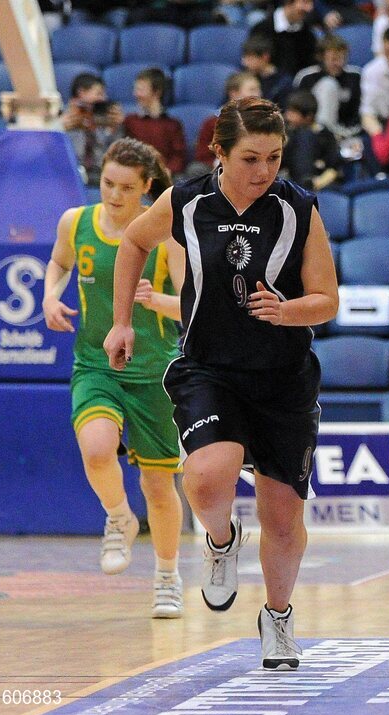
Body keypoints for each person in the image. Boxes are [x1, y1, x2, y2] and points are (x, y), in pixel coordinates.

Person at [104, 97, 340, 669]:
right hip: (210, 369)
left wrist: (290, 311)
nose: (264, 171)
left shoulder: (298, 209)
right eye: (251, 158)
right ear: (219, 154)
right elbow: (134, 242)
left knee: (283, 516)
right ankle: (220, 541)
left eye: (275, 158)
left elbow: (327, 300)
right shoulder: (186, 201)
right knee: (207, 479)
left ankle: (278, 620)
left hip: (283, 380)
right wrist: (121, 321)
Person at [42, 138, 184, 618]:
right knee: (97, 448)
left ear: (147, 188)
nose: (115, 195)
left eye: (127, 187)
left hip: (154, 371)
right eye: (107, 183)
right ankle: (119, 518)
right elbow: (60, 262)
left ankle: (168, 577)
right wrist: (48, 297)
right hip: (97, 362)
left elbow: (194, 306)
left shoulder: (166, 237)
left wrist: (156, 301)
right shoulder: (75, 222)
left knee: (160, 487)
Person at [190, 71, 262, 178]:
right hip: (218, 168)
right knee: (196, 169)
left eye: (258, 89)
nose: (258, 94)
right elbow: (202, 155)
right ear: (234, 93)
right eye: (252, 90)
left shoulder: (264, 122)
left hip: (254, 166)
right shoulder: (212, 122)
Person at [294, 33, 363, 141]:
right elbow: (297, 110)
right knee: (328, 84)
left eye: (342, 58)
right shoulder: (306, 77)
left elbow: (360, 112)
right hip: (312, 134)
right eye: (334, 59)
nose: (339, 63)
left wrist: (346, 133)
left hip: (347, 134)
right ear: (321, 58)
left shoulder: (355, 77)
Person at [62, 72, 124, 185]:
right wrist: (62, 128)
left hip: (101, 172)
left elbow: (115, 151)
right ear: (82, 92)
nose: (103, 98)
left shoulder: (104, 117)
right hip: (71, 173)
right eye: (99, 94)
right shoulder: (64, 117)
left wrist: (116, 128)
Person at [123, 67, 187, 175]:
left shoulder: (173, 124)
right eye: (136, 89)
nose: (136, 94)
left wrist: (167, 171)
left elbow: (178, 156)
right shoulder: (130, 121)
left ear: (157, 92)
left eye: (141, 90)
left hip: (164, 176)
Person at [282, 90, 343, 190]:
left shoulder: (324, 135)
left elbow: (334, 167)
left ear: (308, 116)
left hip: (320, 184)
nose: (287, 116)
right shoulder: (288, 132)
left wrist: (317, 183)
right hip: (293, 183)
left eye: (293, 112)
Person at [249, 0, 323, 80]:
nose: (309, 8)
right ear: (289, 2)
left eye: (311, 3)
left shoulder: (307, 34)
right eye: (305, 2)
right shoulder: (262, 29)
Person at [241, 35, 295, 108]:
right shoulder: (245, 77)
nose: (245, 63)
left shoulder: (283, 82)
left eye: (250, 58)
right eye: (245, 57)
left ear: (265, 57)